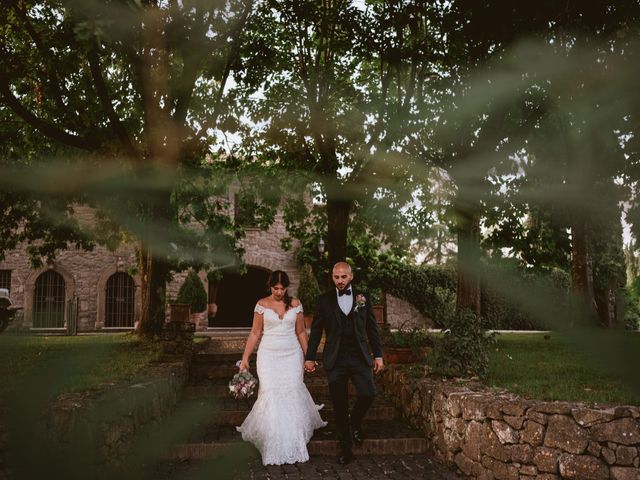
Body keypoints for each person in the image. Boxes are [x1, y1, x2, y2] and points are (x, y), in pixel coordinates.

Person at [236, 270, 327, 465]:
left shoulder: (295, 304)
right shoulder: (261, 305)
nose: (279, 292)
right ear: (270, 287)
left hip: (291, 355)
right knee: (271, 391)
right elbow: (254, 333)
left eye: (282, 289)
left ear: (286, 288)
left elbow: (301, 332)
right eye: (275, 288)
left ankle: (294, 437)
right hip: (268, 355)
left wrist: (309, 356)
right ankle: (272, 440)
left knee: (292, 389)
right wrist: (245, 359)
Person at [305, 262, 384, 464]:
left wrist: (378, 355)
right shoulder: (324, 300)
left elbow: (372, 328)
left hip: (359, 356)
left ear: (351, 277)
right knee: (339, 405)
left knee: (368, 393)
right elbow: (316, 331)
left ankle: (355, 421)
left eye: (343, 277)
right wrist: (310, 356)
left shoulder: (363, 297)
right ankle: (346, 448)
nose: (339, 280)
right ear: (332, 277)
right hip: (336, 358)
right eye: (336, 277)